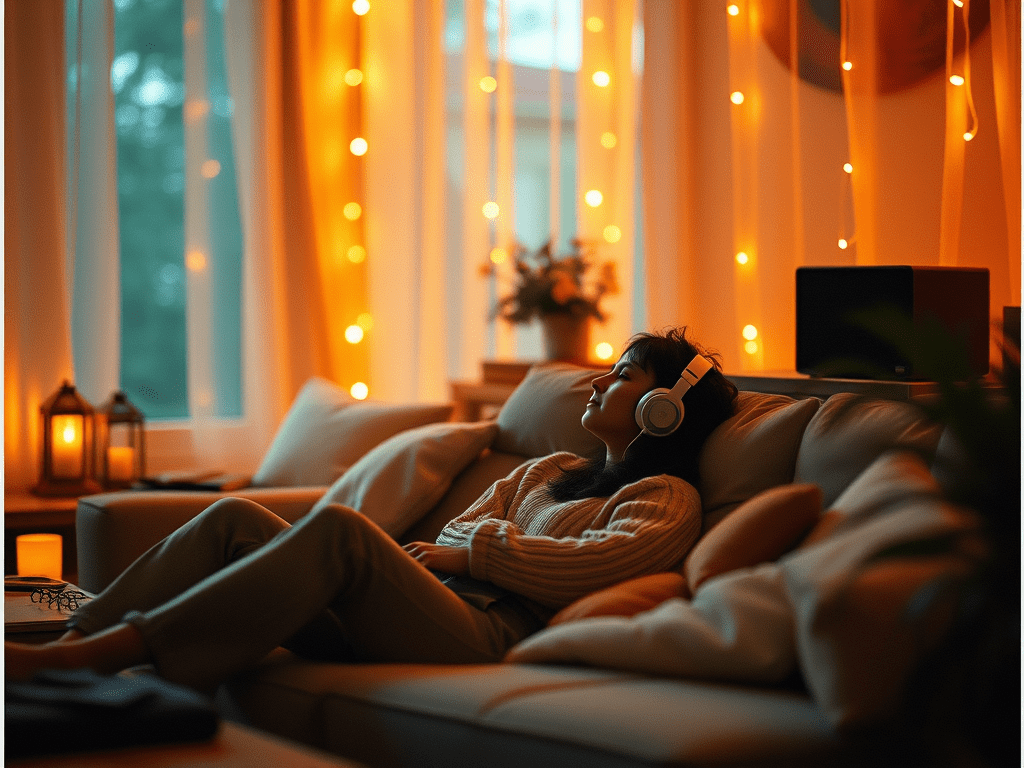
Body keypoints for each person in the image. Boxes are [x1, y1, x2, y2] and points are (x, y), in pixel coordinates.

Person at [7, 327, 738, 691]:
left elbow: (600, 566)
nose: (593, 386)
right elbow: (453, 531)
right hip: (438, 604)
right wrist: (474, 546)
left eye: (620, 378)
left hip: (490, 635)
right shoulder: (547, 469)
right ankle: (73, 638)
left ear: (662, 408)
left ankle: (102, 659)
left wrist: (479, 553)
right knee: (234, 520)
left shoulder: (664, 496)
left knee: (339, 532)